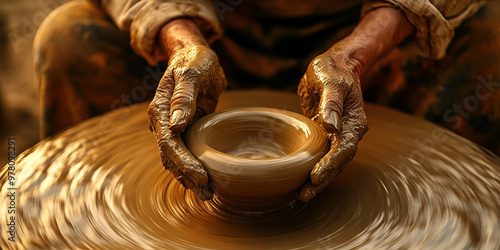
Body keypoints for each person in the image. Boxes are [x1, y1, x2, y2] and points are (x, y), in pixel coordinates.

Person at [34, 0, 498, 202]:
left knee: (491, 44)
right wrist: (182, 44)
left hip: (370, 42)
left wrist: (357, 55)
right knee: (67, 38)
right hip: (211, 35)